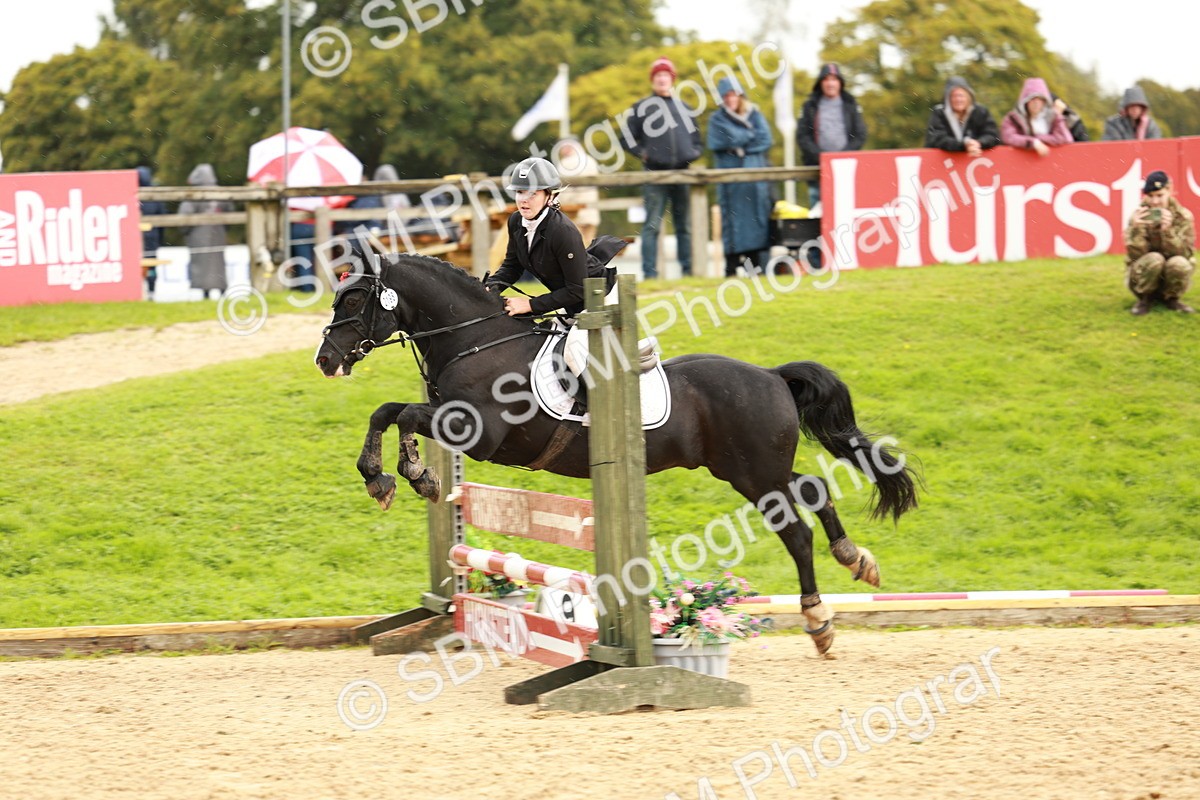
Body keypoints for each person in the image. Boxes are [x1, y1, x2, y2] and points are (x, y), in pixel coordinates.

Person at [484, 157, 628, 377]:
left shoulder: (563, 231)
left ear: (549, 196)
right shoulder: (515, 221)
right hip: (572, 304)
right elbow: (512, 266)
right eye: (520, 192)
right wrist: (488, 290)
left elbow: (578, 289)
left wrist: (530, 305)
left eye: (533, 193)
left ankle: (594, 407)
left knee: (571, 354)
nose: (524, 200)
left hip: (600, 299)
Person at [622, 57, 703, 279]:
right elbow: (626, 138)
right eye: (658, 75)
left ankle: (688, 271)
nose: (662, 79)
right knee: (652, 226)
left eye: (665, 75)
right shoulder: (641, 109)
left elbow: (697, 139)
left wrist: (693, 154)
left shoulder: (685, 108)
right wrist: (644, 153)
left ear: (672, 79)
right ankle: (650, 274)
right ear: (652, 80)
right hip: (654, 174)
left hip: (682, 174)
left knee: (684, 226)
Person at [707, 76, 774, 276]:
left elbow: (766, 139)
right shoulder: (716, 119)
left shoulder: (755, 115)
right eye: (726, 95)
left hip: (755, 179)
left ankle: (756, 266)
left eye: (734, 94)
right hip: (731, 181)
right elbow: (718, 141)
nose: (730, 99)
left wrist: (739, 146)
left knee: (757, 220)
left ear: (741, 95)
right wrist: (748, 137)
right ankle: (732, 264)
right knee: (733, 222)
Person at [796, 62, 868, 207]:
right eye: (826, 79)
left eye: (834, 79)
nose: (830, 84)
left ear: (840, 83)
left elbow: (860, 134)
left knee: (846, 209)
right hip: (818, 171)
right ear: (820, 83)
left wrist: (843, 155)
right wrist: (821, 157)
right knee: (818, 216)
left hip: (846, 170)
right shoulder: (810, 106)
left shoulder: (850, 104)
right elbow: (802, 136)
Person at [1124, 170, 1194, 315]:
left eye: (1159, 195)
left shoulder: (1183, 216)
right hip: (1143, 276)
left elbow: (1185, 254)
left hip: (1171, 273)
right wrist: (1136, 229)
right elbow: (1135, 256)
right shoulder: (1138, 216)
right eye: (1150, 196)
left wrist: (1167, 232)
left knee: (1180, 262)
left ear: (1169, 191)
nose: (1155, 201)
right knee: (1155, 258)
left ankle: (1171, 299)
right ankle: (1145, 299)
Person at [177, 163, 230, 300]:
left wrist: (185, 231)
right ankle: (222, 290)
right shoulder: (220, 192)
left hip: (198, 236)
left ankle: (205, 293)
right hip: (218, 234)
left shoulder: (193, 193)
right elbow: (230, 211)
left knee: (202, 264)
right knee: (218, 264)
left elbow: (184, 216)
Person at [924, 76, 1000, 157]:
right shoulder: (939, 113)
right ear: (948, 98)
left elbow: (993, 135)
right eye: (954, 96)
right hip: (943, 163)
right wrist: (963, 145)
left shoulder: (981, 112)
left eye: (961, 95)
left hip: (977, 160)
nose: (958, 99)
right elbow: (937, 139)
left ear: (968, 97)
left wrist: (979, 143)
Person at [1000, 77, 1073, 155]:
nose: (1036, 103)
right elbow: (1009, 137)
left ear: (1045, 101)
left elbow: (1065, 138)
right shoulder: (1013, 118)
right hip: (1019, 161)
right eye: (1032, 99)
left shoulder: (1053, 118)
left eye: (1040, 99)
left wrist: (1040, 138)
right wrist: (1033, 143)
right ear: (1026, 101)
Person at [554, 140, 601, 245]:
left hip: (574, 209)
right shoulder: (590, 161)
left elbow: (564, 188)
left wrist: (560, 204)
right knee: (589, 241)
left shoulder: (565, 163)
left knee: (575, 243)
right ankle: (590, 261)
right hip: (591, 207)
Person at [136, 166, 167, 298]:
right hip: (152, 238)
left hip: (136, 238)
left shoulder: (133, 194)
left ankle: (141, 292)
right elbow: (163, 218)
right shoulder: (155, 196)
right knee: (152, 266)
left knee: (137, 265)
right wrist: (160, 238)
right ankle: (151, 292)